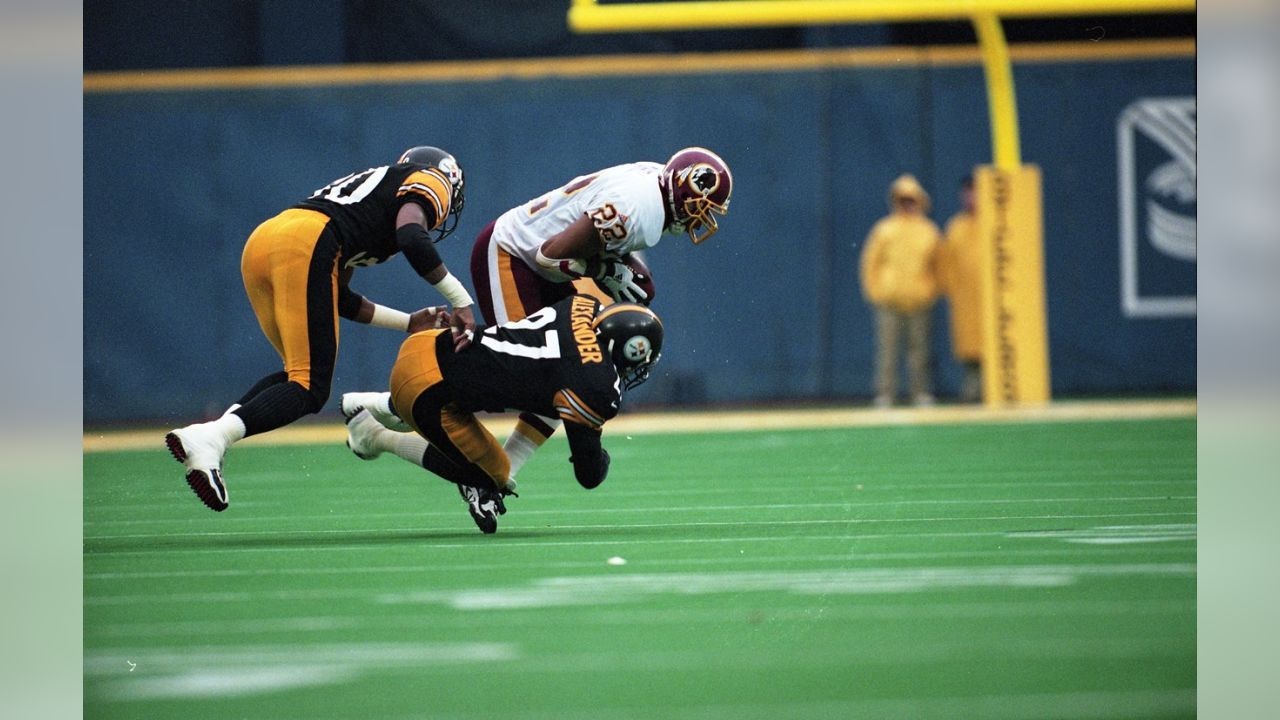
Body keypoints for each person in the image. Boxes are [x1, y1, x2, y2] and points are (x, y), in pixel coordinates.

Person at [165, 146, 478, 512]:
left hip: (267, 241)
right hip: (306, 241)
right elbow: (411, 234)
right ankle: (212, 436)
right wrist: (461, 300)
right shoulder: (432, 179)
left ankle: (211, 440)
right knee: (310, 387)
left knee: (295, 377)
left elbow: (337, 296)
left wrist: (407, 322)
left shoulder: (375, 191)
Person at [459, 146, 731, 486]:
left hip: (545, 266)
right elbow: (548, 255)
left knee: (564, 372)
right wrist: (606, 271)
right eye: (700, 207)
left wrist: (613, 267)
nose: (700, 218)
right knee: (529, 376)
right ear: (681, 187)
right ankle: (392, 412)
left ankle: (494, 476)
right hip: (513, 255)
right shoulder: (637, 209)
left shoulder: (654, 185)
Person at [341, 293, 664, 534]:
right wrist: (600, 456)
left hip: (431, 343)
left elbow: (560, 379)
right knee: (491, 476)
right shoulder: (594, 386)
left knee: (550, 396)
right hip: (424, 388)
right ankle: (374, 436)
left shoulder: (583, 305)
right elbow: (588, 475)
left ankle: (372, 404)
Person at [859, 173, 942, 408]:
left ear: (919, 201)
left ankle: (921, 392)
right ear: (896, 201)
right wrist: (875, 292)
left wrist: (931, 290)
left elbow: (939, 265)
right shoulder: (885, 230)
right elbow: (870, 262)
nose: (907, 204)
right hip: (890, 300)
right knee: (888, 351)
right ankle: (885, 393)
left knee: (920, 351)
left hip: (919, 301)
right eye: (902, 199)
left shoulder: (928, 231)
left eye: (911, 199)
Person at [939, 175, 983, 402]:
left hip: (993, 299)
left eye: (975, 191)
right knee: (971, 351)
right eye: (968, 192)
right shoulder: (956, 226)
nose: (971, 197)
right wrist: (952, 290)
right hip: (966, 298)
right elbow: (947, 264)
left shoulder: (996, 222)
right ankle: (972, 391)